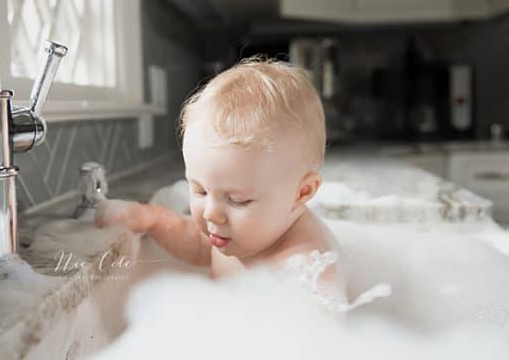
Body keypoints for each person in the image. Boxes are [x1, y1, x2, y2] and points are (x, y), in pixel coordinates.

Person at [95, 57, 339, 288]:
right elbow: (201, 246)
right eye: (199, 190)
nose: (211, 214)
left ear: (301, 192)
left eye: (237, 200)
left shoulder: (305, 273)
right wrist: (152, 218)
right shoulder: (242, 235)